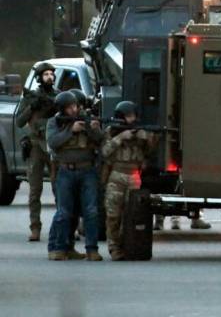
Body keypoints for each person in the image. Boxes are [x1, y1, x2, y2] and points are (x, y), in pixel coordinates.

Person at [45, 91, 104, 261]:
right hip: (65, 171)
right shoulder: (54, 123)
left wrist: (93, 129)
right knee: (64, 212)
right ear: (63, 109)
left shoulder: (87, 119)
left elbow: (100, 140)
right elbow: (53, 142)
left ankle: (92, 249)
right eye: (70, 107)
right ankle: (59, 247)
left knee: (91, 211)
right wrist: (72, 130)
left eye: (75, 106)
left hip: (87, 171)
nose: (74, 109)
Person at [102, 101, 157, 260]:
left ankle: (130, 245)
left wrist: (145, 137)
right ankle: (114, 247)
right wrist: (120, 137)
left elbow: (151, 151)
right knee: (113, 215)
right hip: (116, 176)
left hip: (134, 177)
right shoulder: (111, 132)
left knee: (133, 214)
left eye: (132, 116)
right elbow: (104, 152)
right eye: (127, 116)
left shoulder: (141, 132)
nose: (131, 119)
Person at [16, 62, 57, 241]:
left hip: (54, 146)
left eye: (51, 74)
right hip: (35, 146)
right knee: (35, 190)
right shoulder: (32, 97)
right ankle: (35, 227)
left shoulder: (58, 96)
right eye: (46, 74)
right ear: (40, 78)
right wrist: (31, 107)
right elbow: (19, 121)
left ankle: (65, 227)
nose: (49, 77)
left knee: (61, 188)